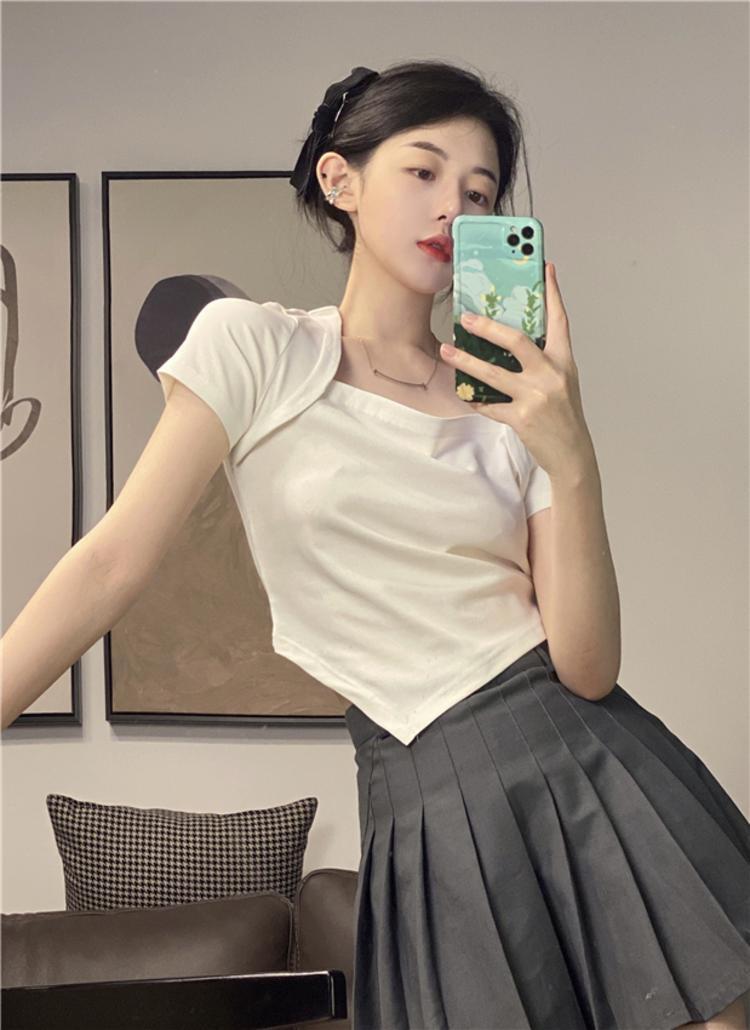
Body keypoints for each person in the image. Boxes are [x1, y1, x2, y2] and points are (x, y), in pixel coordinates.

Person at [2, 58, 748, 1030]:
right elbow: (111, 561)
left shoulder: (512, 402)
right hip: (419, 783)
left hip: (584, 749)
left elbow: (588, 666)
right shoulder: (256, 346)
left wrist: (572, 454)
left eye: (478, 192)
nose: (452, 206)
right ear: (340, 180)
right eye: (423, 171)